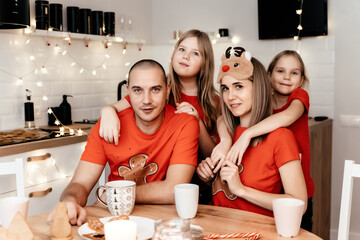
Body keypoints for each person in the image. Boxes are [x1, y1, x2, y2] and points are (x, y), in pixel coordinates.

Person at [47, 59, 200, 226]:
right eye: (138, 90)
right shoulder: (107, 125)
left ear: (167, 90)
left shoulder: (185, 124)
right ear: (128, 92)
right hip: (116, 221)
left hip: (166, 221)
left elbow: (174, 190)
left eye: (155, 89)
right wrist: (70, 201)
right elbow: (80, 183)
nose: (146, 100)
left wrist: (116, 194)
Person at [196, 47, 307, 217]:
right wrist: (206, 177)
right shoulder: (225, 133)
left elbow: (299, 204)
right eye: (225, 88)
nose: (230, 96)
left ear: (259, 87)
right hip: (216, 227)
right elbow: (218, 192)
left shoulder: (281, 138)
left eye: (238, 86)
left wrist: (242, 190)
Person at [99, 29, 219, 159]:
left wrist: (197, 121)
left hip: (199, 177)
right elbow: (113, 107)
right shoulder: (156, 89)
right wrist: (107, 112)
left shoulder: (214, 101)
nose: (185, 56)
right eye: (182, 49)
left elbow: (213, 154)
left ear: (205, 62)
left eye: (195, 53)